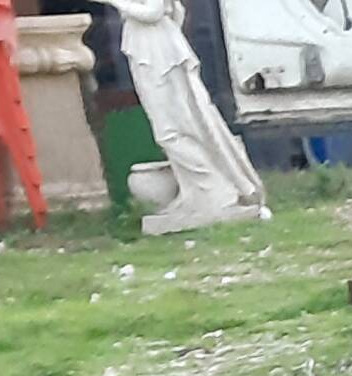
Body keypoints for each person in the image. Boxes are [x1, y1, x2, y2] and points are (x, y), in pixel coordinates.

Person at [107, 0, 267, 233]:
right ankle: (197, 192)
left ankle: (213, 190)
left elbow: (154, 11)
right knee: (170, 129)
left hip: (157, 52)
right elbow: (177, 13)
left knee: (172, 130)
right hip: (152, 46)